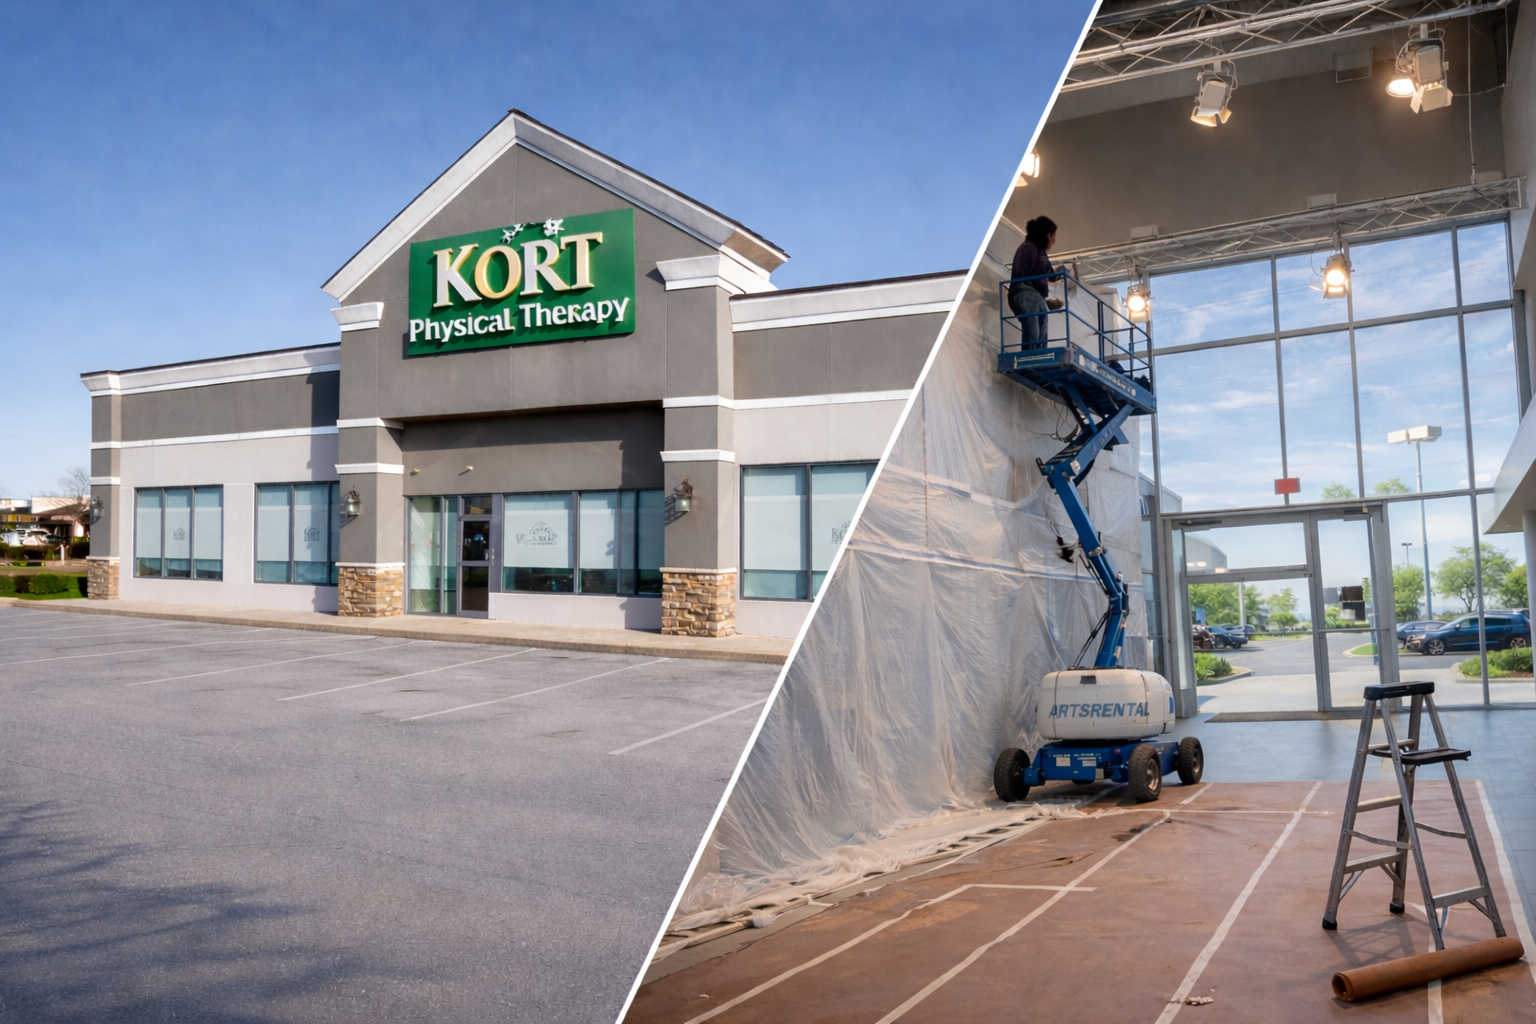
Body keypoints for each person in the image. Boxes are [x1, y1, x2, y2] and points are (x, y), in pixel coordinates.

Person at [1009, 215, 1064, 344]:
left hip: (1034, 295)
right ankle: (1031, 356)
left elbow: (1051, 275)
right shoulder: (1028, 247)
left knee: (1042, 322)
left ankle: (1039, 355)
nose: (1054, 241)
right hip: (1023, 291)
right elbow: (1024, 273)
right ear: (1048, 235)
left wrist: (1062, 272)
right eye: (1054, 237)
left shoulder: (1040, 252)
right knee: (1033, 326)